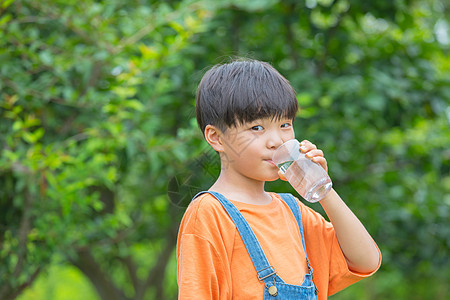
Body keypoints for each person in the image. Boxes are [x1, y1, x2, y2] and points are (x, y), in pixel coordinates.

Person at [176, 59, 381, 299]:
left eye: (285, 124)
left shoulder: (293, 211)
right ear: (217, 138)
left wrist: (324, 190)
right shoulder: (209, 214)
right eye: (256, 128)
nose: (277, 140)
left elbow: (366, 260)